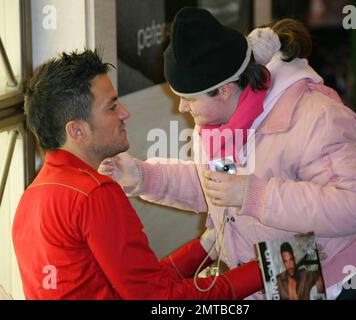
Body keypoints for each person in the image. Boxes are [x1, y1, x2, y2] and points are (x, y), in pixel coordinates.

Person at [99, 7, 356, 299]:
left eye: (188, 99)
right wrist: (142, 176)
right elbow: (215, 186)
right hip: (296, 278)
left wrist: (252, 195)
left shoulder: (315, 115)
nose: (181, 108)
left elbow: (354, 205)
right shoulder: (219, 127)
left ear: (224, 91)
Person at [11, 49, 263, 300]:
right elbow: (158, 298)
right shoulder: (93, 193)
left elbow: (137, 284)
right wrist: (264, 269)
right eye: (111, 107)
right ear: (77, 131)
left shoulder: (29, 201)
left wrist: (204, 248)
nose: (124, 113)